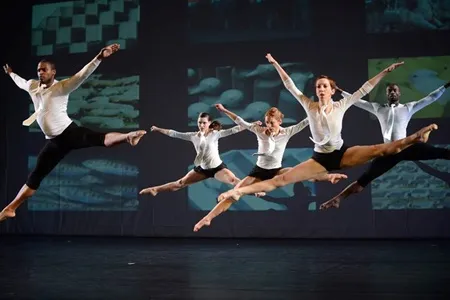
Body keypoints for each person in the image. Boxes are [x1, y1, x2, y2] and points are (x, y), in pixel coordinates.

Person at [207, 53, 438, 213]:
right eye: (318, 86)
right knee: (281, 180)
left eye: (324, 86)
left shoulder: (341, 104)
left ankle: (417, 136)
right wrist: (275, 63)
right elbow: (290, 86)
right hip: (320, 157)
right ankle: (239, 193)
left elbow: (365, 88)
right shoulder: (309, 105)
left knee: (382, 149)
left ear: (331, 89)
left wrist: (385, 72)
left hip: (342, 152)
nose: (320, 88)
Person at [0, 43, 147, 222]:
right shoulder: (32, 86)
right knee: (36, 176)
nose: (40, 73)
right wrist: (11, 74)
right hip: (55, 142)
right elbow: (21, 82)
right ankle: (11, 208)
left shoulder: (62, 87)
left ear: (53, 72)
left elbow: (82, 75)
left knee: (98, 138)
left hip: (68, 133)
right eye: (39, 70)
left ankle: (128, 137)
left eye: (44, 70)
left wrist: (99, 57)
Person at [193, 104, 348, 232]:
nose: (269, 126)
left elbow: (307, 121)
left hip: (276, 170)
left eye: (272, 123)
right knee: (234, 195)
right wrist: (224, 110)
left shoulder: (287, 132)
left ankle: (329, 176)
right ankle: (208, 218)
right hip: (259, 171)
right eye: (267, 122)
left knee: (303, 173)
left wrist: (321, 111)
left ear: (280, 121)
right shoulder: (260, 131)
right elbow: (240, 121)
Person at [320, 80, 450, 210]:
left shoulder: (408, 108)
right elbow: (357, 102)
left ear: (399, 93)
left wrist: (446, 85)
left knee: (441, 153)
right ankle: (337, 199)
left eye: (395, 91)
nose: (393, 93)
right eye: (390, 91)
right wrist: (341, 91)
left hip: (406, 147)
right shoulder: (379, 108)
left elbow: (430, 98)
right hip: (388, 151)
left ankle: (425, 133)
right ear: (386, 94)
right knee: (363, 181)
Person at [139, 112, 250, 197]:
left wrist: (251, 125)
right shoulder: (193, 136)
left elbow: (235, 130)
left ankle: (254, 191)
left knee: (233, 181)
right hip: (202, 169)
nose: (201, 125)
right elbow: (174, 133)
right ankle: (155, 189)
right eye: (199, 122)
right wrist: (158, 129)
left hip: (217, 168)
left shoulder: (215, 134)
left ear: (210, 123)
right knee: (179, 184)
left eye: (204, 123)